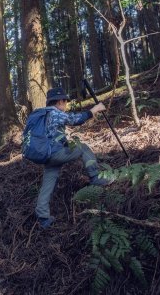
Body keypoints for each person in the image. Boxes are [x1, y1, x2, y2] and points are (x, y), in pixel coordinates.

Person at [35, 87, 110, 229]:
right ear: (59, 101)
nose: (66, 104)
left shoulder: (43, 115)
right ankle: (95, 177)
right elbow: (74, 119)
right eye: (65, 101)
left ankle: (43, 217)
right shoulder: (55, 113)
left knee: (48, 184)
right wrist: (94, 110)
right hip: (55, 153)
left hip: (47, 155)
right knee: (82, 147)